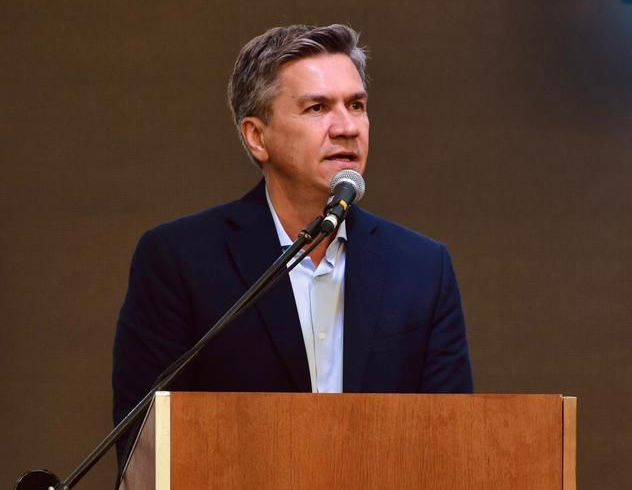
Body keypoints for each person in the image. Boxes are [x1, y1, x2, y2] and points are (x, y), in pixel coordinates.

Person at [112, 23, 473, 469]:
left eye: (356, 105)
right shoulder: (180, 260)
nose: (347, 127)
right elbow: (147, 450)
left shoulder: (422, 268)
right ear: (257, 136)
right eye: (317, 107)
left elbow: (452, 442)